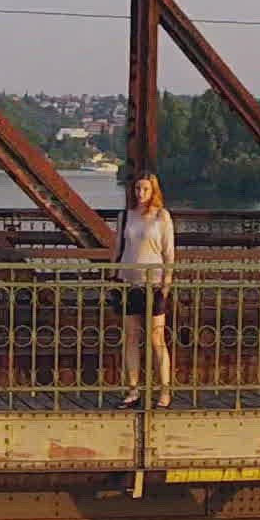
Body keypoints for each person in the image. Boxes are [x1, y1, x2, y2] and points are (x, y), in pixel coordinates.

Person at [112, 172, 176, 408]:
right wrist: (113, 275)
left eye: (146, 189)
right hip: (129, 282)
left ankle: (164, 392)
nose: (141, 193)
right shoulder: (125, 216)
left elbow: (169, 253)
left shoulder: (162, 216)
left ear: (153, 191)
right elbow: (118, 248)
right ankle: (133, 391)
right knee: (131, 337)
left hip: (154, 283)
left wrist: (166, 283)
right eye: (138, 189)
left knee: (157, 338)